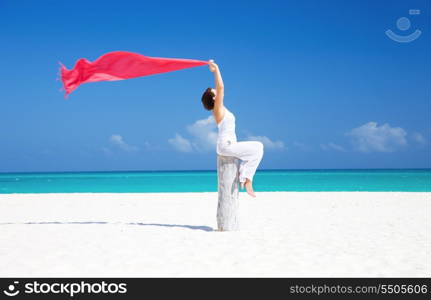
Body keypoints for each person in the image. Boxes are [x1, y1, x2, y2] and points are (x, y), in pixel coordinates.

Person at [201, 59, 264, 197]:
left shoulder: (221, 109)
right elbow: (221, 87)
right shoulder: (217, 110)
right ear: (214, 99)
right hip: (226, 145)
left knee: (256, 150)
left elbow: (219, 89)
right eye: (214, 91)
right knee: (258, 147)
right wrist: (216, 69)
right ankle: (247, 179)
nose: (217, 90)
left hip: (228, 145)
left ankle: (245, 177)